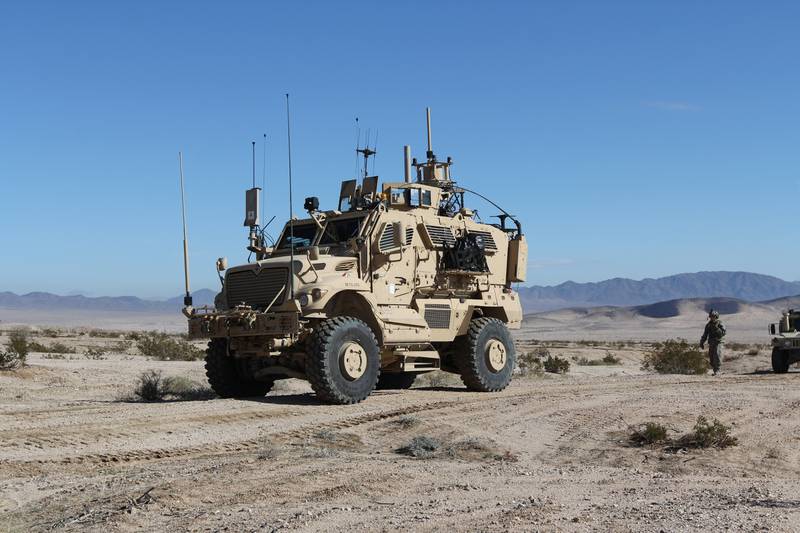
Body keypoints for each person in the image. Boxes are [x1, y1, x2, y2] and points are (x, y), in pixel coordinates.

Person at [700, 309, 726, 375]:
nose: (712, 318)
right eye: (711, 316)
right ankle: (715, 370)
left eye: (713, 316)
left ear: (716, 316)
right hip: (711, 342)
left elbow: (723, 333)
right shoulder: (708, 325)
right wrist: (702, 342)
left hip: (719, 342)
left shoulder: (720, 323)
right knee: (711, 357)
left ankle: (718, 370)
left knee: (717, 355)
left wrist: (716, 328)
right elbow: (705, 334)